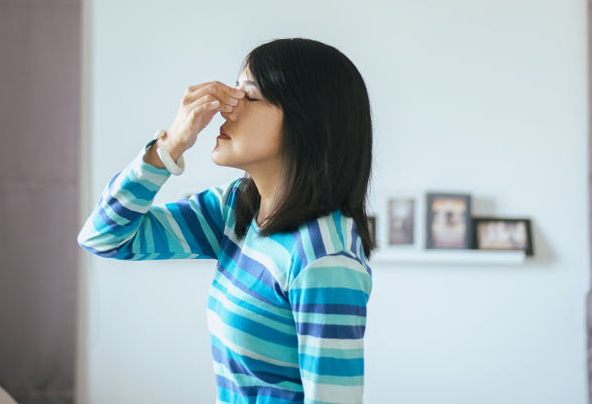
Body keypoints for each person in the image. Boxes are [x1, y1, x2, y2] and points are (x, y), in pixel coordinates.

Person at [78, 37, 375, 404]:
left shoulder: (323, 254)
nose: (226, 110)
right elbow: (104, 237)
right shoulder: (237, 207)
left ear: (306, 120)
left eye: (248, 97)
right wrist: (169, 145)